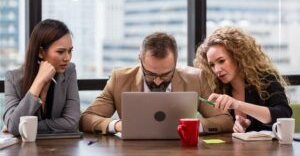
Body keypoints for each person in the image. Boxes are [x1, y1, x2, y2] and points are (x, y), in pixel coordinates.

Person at [80, 32, 233, 134]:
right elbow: (87, 118)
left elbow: (225, 120)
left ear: (175, 63)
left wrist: (194, 127)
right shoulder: (119, 78)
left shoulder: (196, 78)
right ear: (140, 59)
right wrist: (118, 125)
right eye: (151, 74)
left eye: (166, 74)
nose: (158, 80)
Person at [194, 26, 292, 133]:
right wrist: (238, 127)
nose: (217, 70)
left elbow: (283, 114)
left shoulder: (266, 79)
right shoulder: (218, 88)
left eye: (221, 61)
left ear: (238, 56)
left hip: (270, 149)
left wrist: (237, 104)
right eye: (212, 65)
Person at [3, 19, 80, 136]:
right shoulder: (12, 79)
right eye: (60, 52)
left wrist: (25, 127)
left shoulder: (69, 71)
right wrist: (38, 83)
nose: (67, 58)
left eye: (70, 51)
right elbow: (14, 126)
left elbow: (71, 123)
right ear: (40, 52)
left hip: (61, 149)